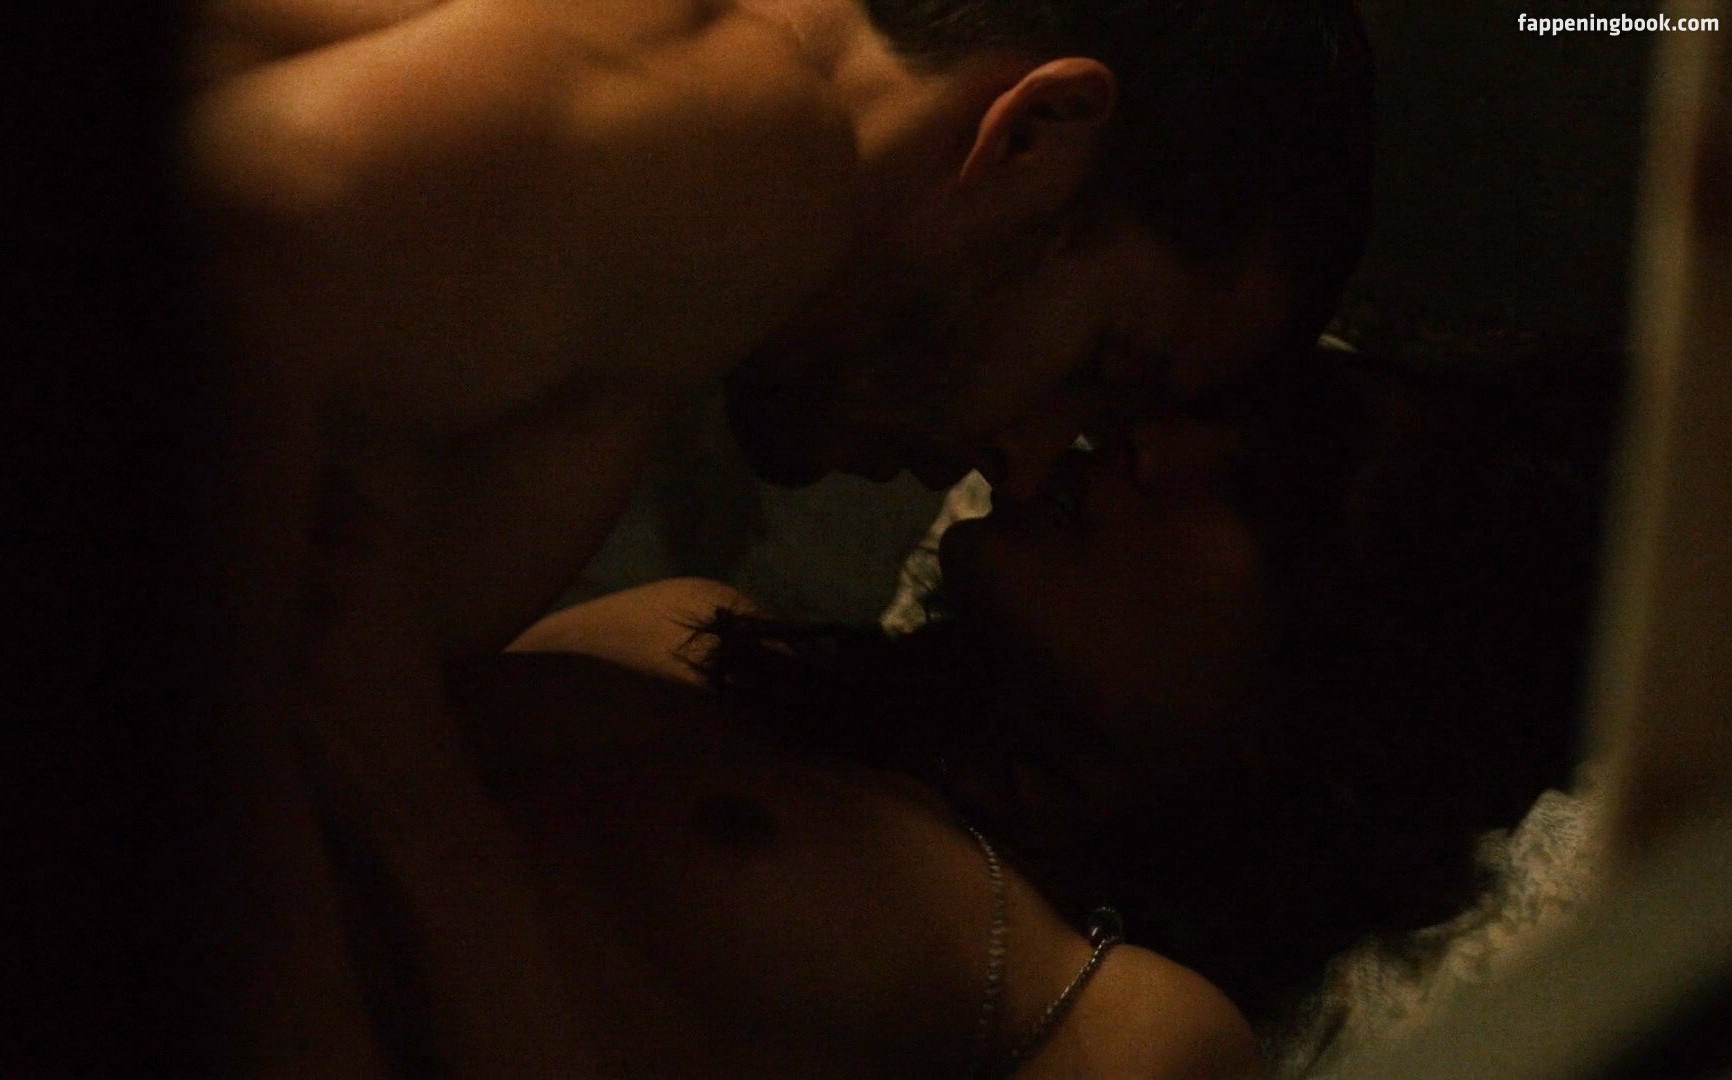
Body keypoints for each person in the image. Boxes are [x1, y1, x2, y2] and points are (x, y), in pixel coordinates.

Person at [182, 0, 1376, 1071]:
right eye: (1099, 372)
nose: (1025, 460)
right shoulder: (768, 151)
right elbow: (236, 254)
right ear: (1031, 137)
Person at [503, 338, 1601, 1072]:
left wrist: (410, 790)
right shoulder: (702, 638)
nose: (1145, 441)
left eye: (1263, 491)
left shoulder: (1131, 1023)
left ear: (1332, 702)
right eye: (1206, 413)